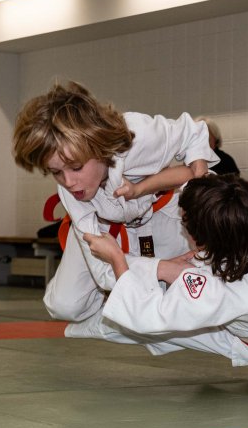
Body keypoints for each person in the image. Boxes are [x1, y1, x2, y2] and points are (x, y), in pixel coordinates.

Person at [13, 80, 217, 324]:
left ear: (99, 147)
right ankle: (124, 300)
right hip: (105, 226)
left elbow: (194, 132)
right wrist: (162, 268)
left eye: (76, 167)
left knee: (200, 282)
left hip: (161, 209)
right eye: (56, 172)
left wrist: (201, 196)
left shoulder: (138, 135)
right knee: (65, 306)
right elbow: (101, 269)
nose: (68, 182)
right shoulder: (71, 192)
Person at [76, 174, 248, 388]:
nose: (182, 225)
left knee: (144, 329)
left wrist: (117, 258)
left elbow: (146, 316)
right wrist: (138, 188)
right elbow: (194, 178)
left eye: (184, 224)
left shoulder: (223, 291)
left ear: (205, 240)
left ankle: (76, 329)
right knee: (174, 274)